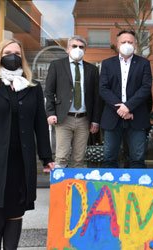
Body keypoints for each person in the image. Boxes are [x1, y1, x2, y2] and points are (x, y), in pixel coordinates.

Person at [0, 38, 54, 249]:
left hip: (20, 162)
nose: (13, 57)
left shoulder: (32, 87)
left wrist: (47, 158)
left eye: (18, 53)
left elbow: (40, 125)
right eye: (8, 52)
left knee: (14, 212)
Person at [44, 35, 101, 168]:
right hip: (64, 118)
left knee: (79, 159)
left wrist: (95, 120)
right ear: (67, 49)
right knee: (61, 157)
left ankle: (76, 188)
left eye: (81, 47)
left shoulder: (92, 69)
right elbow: (49, 91)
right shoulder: (57, 65)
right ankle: (60, 188)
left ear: (85, 50)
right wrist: (50, 113)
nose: (77, 49)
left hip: (84, 120)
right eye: (74, 46)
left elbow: (97, 97)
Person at [99, 30, 152, 168]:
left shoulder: (144, 63)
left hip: (136, 116)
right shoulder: (107, 64)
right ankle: (110, 189)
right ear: (117, 44)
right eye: (123, 42)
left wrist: (128, 106)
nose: (127, 44)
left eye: (130, 42)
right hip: (112, 117)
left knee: (137, 158)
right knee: (109, 157)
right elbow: (103, 89)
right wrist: (120, 108)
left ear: (135, 45)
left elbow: (146, 88)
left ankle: (137, 189)